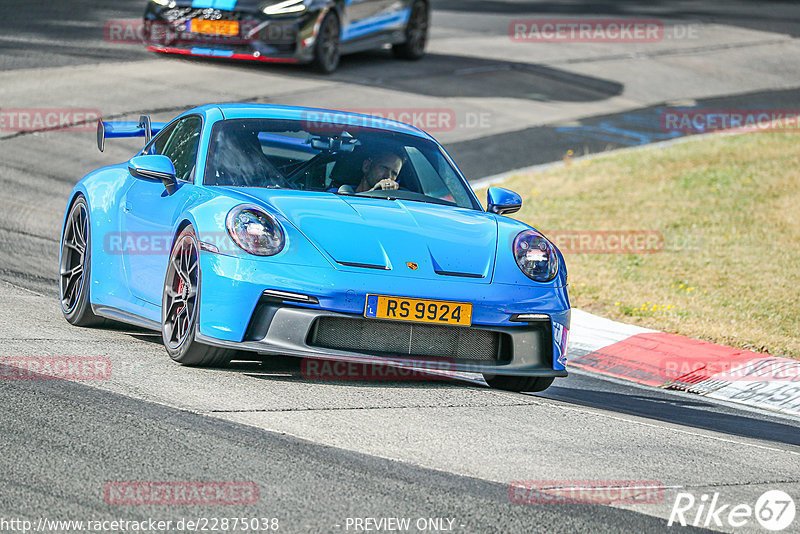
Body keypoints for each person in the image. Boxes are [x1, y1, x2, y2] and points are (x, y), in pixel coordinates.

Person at [337, 149, 404, 194]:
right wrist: (374, 191)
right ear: (366, 166)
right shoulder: (335, 194)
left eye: (394, 173)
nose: (388, 176)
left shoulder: (395, 206)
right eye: (384, 168)